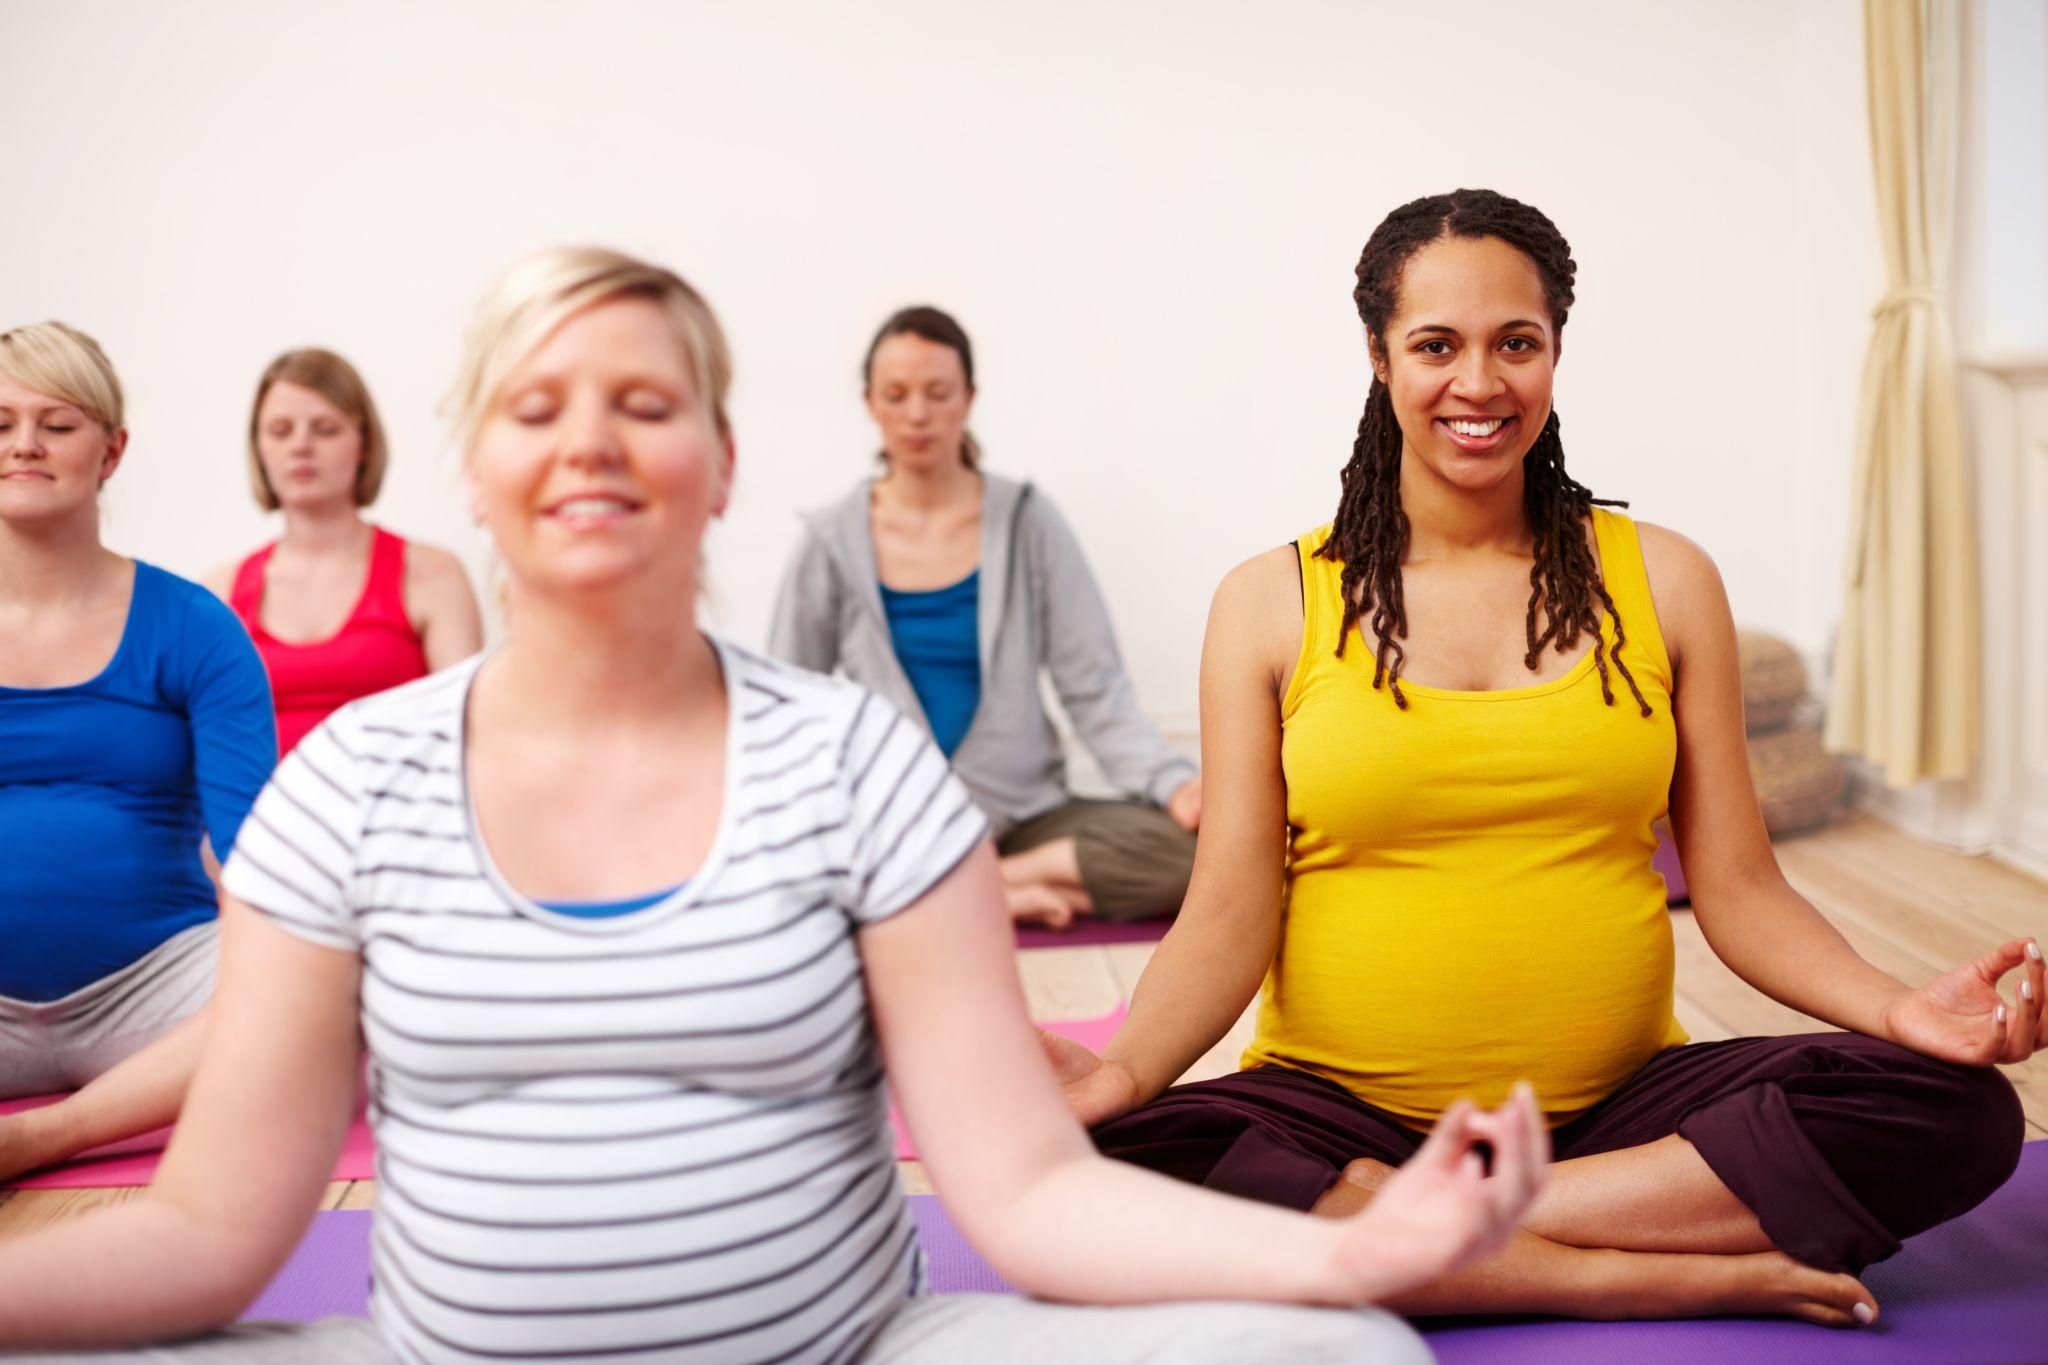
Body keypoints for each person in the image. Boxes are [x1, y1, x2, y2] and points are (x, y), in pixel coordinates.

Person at [0, 248, 1552, 1364]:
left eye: (643, 402)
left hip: (852, 1345)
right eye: (536, 407)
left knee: (1340, 1351)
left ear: (723, 461)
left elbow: (1023, 1190)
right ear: (475, 470)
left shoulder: (858, 770)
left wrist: (1352, 1253)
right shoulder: (347, 787)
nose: (591, 437)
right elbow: (211, 1230)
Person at [1048, 189, 2035, 1329]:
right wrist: (1120, 1076)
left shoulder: (1663, 578)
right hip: (1338, 1113)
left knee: (1955, 1112)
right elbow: (1224, 914)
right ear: (1377, 357)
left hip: (1619, 1118)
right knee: (1110, 1160)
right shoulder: (1269, 601)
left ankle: (1427, 1233)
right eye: (1435, 346)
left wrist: (1900, 1009)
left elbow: (1740, 891)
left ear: (1555, 347)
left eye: (1514, 342)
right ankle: (1634, 1270)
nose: (1478, 384)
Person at [770, 308, 1199, 930]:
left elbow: (1094, 689)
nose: (917, 414)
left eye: (938, 393)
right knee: (787, 871)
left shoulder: (1027, 520)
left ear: (968, 398)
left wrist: (1173, 784)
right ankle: (974, 886)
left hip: (1025, 819)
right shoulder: (831, 538)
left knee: (1203, 858)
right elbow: (791, 699)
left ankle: (979, 886)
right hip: (888, 819)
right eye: (896, 395)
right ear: (870, 404)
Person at [0, 322, 274, 1182]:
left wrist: (284, 987)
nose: (25, 445)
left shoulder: (195, 625)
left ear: (111, 451)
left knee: (332, 985)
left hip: (158, 992)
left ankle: (42, 1138)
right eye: (0, 423)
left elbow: (258, 862)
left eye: (58, 423)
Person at [204, 349, 483, 754]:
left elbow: (468, 737)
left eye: (326, 428)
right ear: (259, 449)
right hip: (257, 816)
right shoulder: (219, 592)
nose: (301, 445)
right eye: (281, 430)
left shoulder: (432, 574)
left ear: (365, 444)